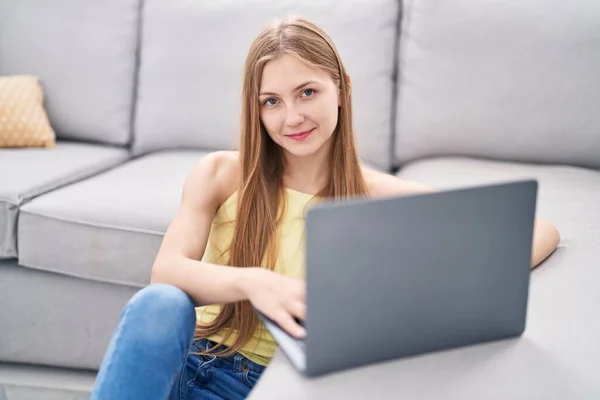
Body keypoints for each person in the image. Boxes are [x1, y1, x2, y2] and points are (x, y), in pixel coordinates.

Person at [90, 17, 561, 400]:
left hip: (285, 387)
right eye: (271, 102)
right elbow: (165, 271)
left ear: (343, 89)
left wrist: (457, 276)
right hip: (190, 372)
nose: (291, 117)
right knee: (161, 303)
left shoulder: (375, 194)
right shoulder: (220, 174)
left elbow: (539, 230)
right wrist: (255, 282)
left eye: (308, 92)